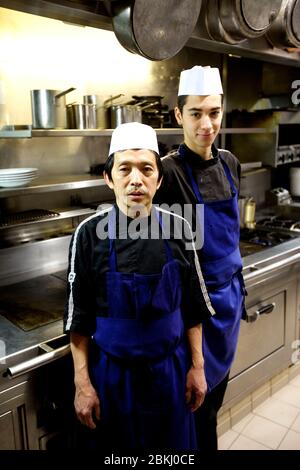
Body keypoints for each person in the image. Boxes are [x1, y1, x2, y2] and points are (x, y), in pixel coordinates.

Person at [63, 122, 216, 451]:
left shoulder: (180, 227)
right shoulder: (88, 235)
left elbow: (193, 306)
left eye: (147, 169)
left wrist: (197, 367)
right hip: (112, 381)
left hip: (170, 376)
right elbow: (79, 318)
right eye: (124, 169)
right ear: (109, 178)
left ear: (159, 180)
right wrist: (82, 383)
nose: (136, 179)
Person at [154, 65, 247, 451]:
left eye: (214, 112)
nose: (206, 124)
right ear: (179, 116)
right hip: (195, 312)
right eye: (195, 113)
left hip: (229, 306)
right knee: (194, 411)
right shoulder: (168, 173)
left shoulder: (231, 163)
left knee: (215, 402)